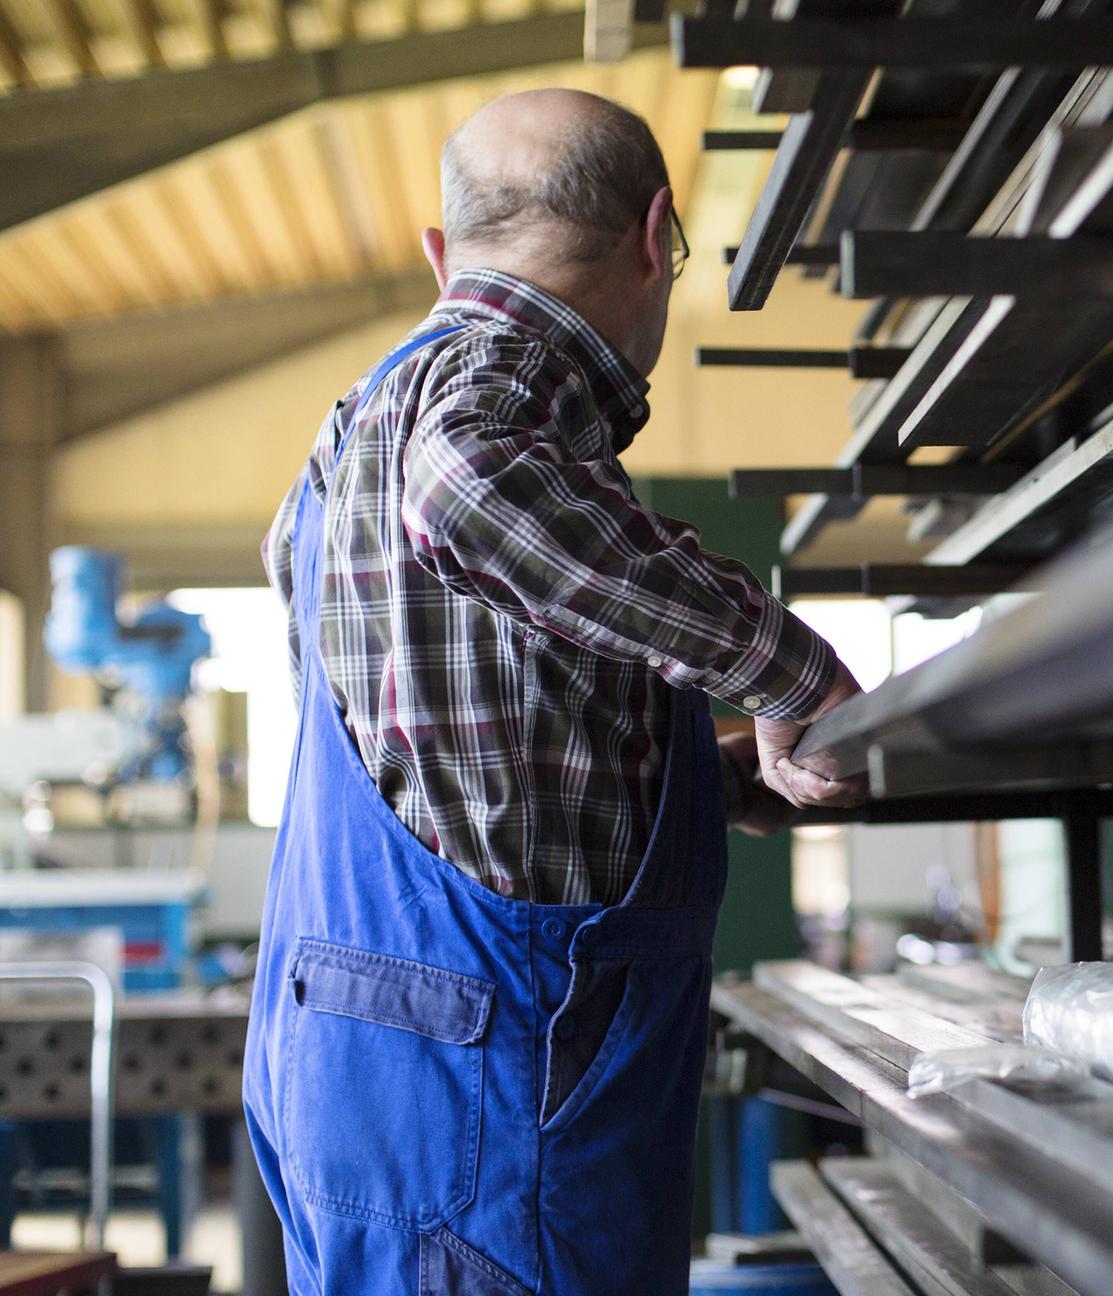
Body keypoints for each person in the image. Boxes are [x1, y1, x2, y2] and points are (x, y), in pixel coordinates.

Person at [243, 88, 863, 1296]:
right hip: (487, 1107)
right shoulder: (501, 380)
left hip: (361, 1076)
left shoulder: (350, 436)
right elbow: (470, 494)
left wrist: (701, 782)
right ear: (657, 234)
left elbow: (437, 735)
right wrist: (787, 667)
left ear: (441, 251)